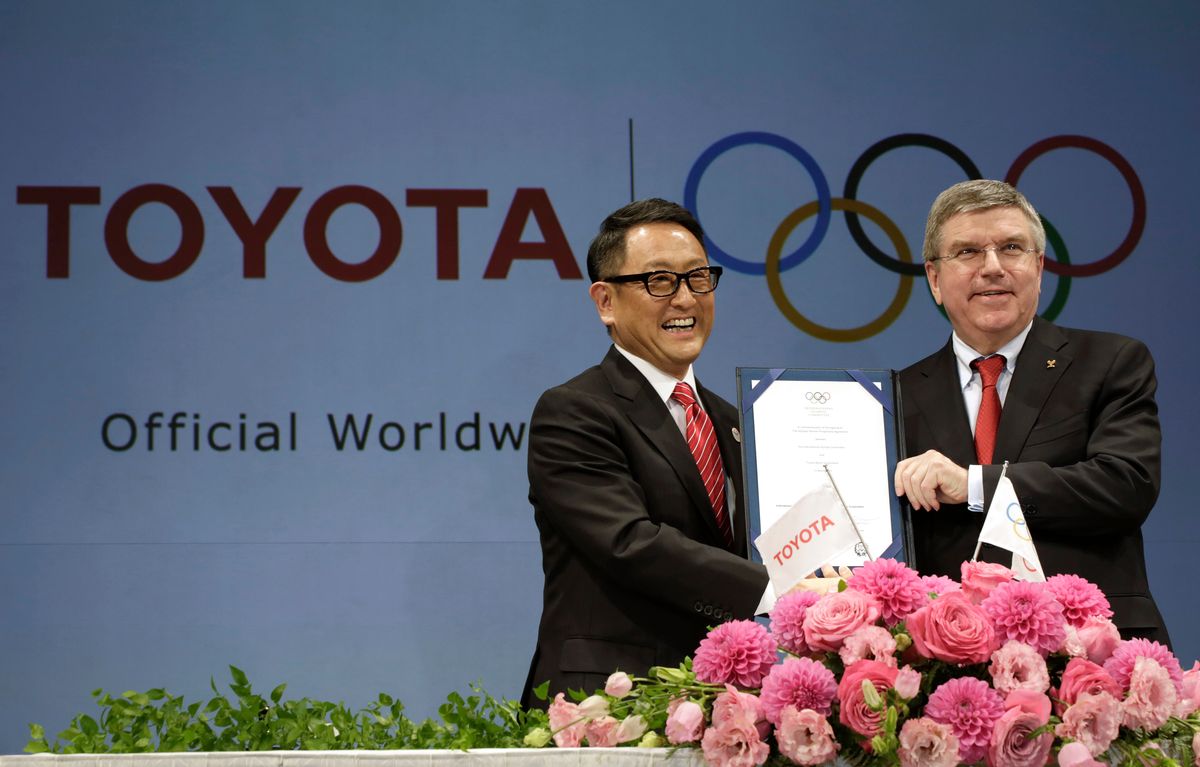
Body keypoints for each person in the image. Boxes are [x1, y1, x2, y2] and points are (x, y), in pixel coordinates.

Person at [894, 179, 1169, 644]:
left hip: (1094, 649)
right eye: (967, 253)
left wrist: (976, 484)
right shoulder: (893, 398)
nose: (993, 268)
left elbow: (1126, 484)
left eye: (1012, 248)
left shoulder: (1111, 362)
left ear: (1039, 268)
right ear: (935, 280)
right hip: (948, 670)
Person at [520, 198, 770, 707]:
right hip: (609, 704)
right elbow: (630, 543)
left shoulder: (735, 420)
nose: (685, 299)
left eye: (698, 277)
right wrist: (776, 591)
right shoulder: (573, 411)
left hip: (724, 704)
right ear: (605, 302)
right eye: (659, 281)